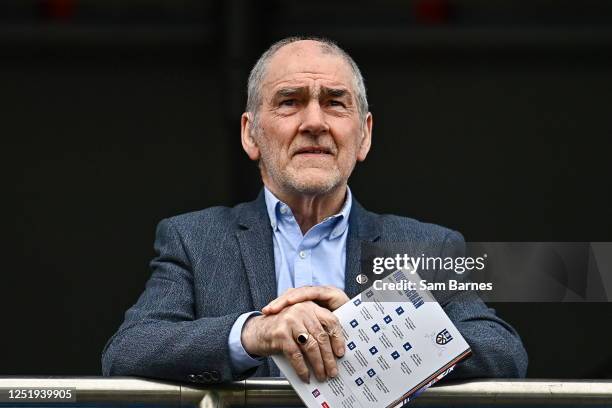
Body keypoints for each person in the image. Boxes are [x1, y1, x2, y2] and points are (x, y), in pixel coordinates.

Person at [101, 37, 528, 385]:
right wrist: (255, 333)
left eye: (335, 103)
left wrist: (370, 328)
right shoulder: (195, 240)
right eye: (290, 101)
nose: (314, 122)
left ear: (363, 136)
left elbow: (502, 352)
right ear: (251, 134)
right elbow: (129, 350)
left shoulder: (426, 245)